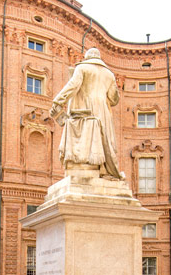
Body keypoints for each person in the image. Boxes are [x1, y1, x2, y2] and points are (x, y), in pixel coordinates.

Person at [50, 47, 122, 180]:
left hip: (86, 106)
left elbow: (73, 85)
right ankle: (103, 170)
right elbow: (114, 99)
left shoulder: (82, 68)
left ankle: (84, 168)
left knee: (86, 138)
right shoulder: (109, 74)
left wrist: (58, 100)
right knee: (103, 141)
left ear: (87, 57)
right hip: (103, 111)